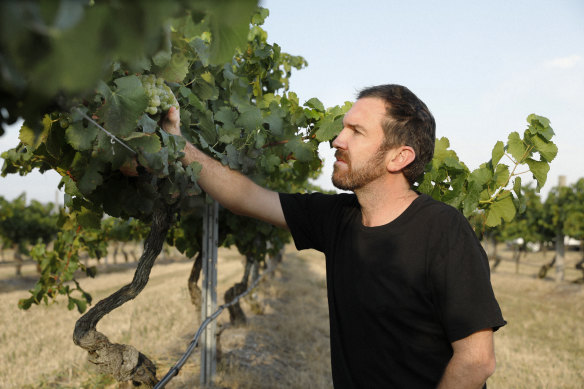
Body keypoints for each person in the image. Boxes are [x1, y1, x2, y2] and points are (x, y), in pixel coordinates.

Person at [163, 84, 506, 388]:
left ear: (399, 157)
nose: (337, 140)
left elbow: (476, 361)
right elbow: (245, 197)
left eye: (356, 132)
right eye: (343, 127)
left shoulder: (444, 231)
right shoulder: (337, 218)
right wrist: (178, 145)